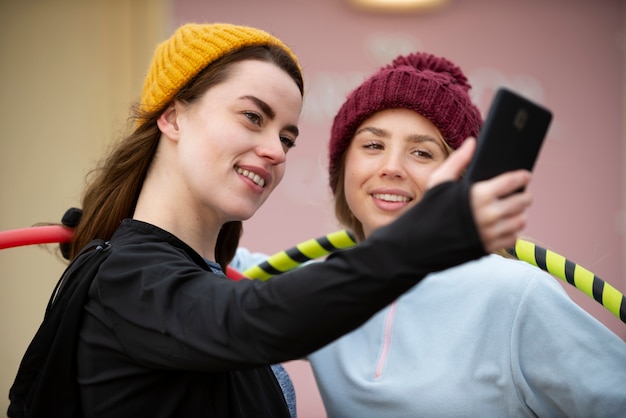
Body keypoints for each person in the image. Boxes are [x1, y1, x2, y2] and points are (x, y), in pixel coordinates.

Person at [8, 24, 534, 418]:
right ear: (171, 115)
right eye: (253, 117)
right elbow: (256, 318)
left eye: (286, 137)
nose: (276, 150)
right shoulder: (130, 277)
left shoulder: (181, 276)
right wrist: (425, 240)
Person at [303, 52, 626, 416]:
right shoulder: (314, 289)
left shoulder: (516, 291)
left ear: (461, 180)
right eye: (373, 145)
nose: (391, 168)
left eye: (422, 153)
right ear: (343, 164)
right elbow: (229, 290)